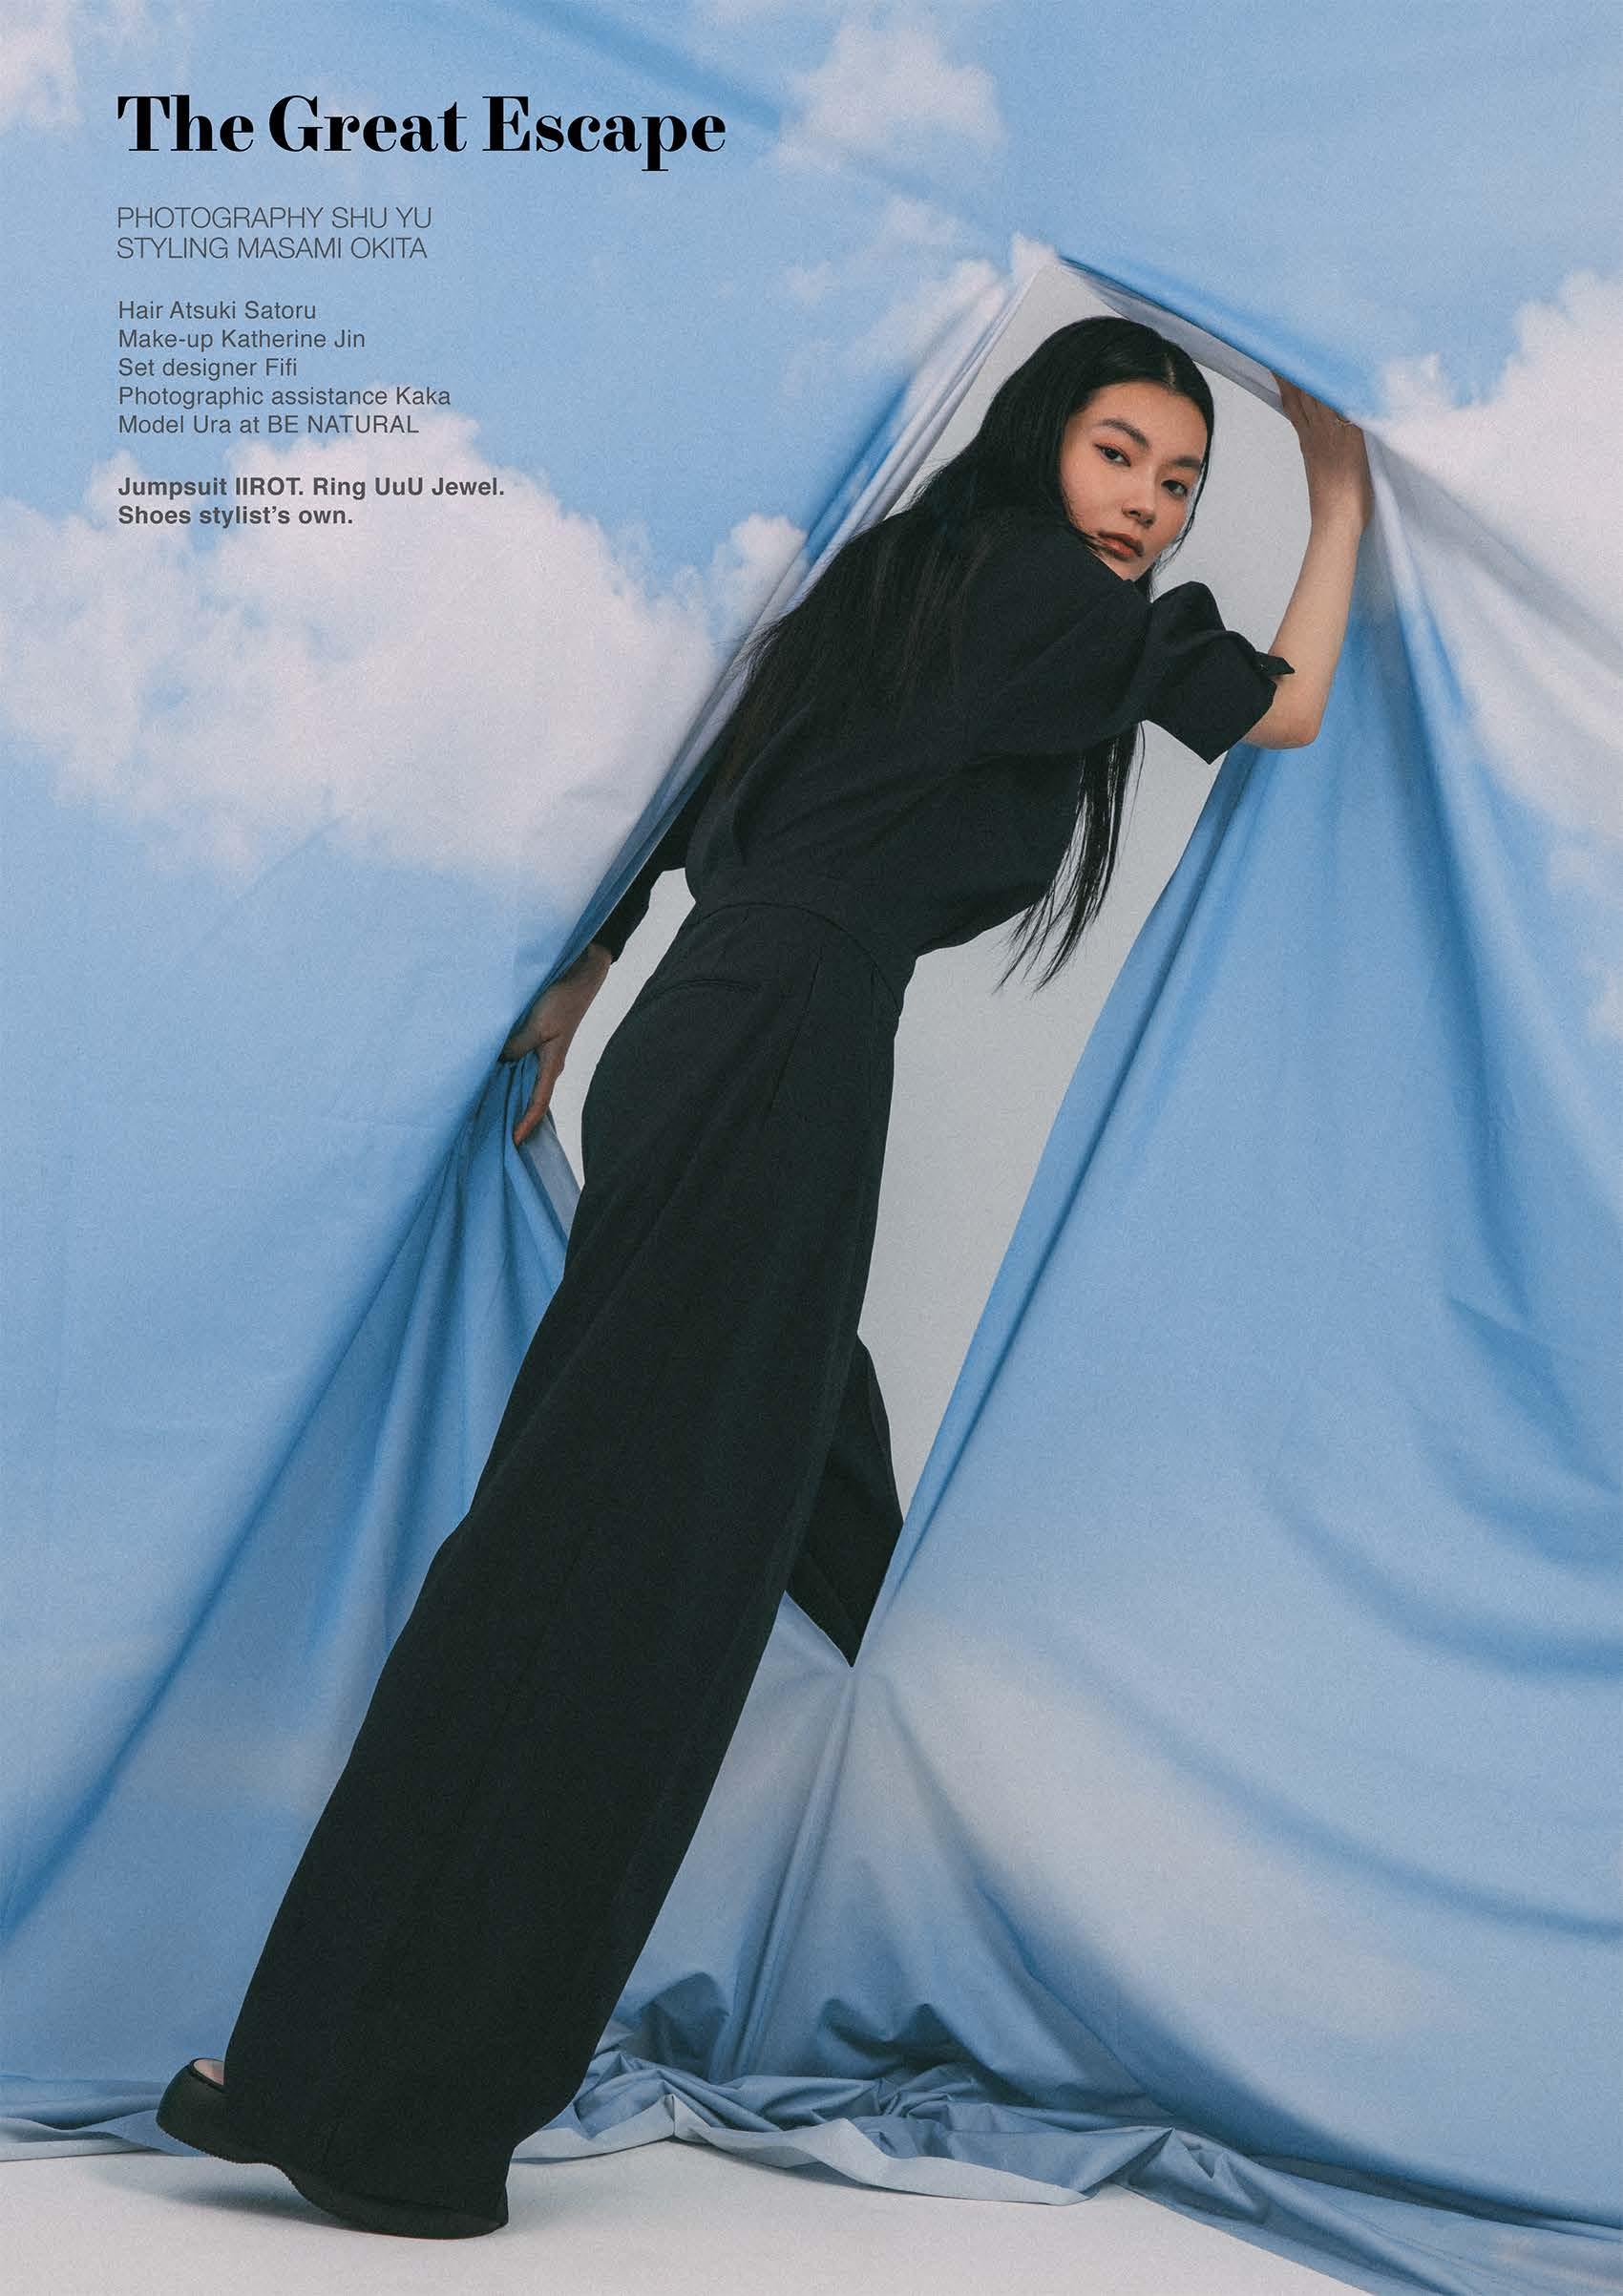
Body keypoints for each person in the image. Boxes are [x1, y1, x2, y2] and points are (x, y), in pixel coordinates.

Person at [157, 317, 1373, 2238]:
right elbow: (1282, 708)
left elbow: (718, 774)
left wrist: (590, 973)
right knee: (627, 1577)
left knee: (613, 1526)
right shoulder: (1046, 595)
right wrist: (1341, 483)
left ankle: (320, 2055)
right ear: (1042, 438)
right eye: (1120, 454)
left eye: (1182, 482)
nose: (1147, 506)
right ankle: (379, 2101)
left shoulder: (912, 576)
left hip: (709, 1028)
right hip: (785, 1051)